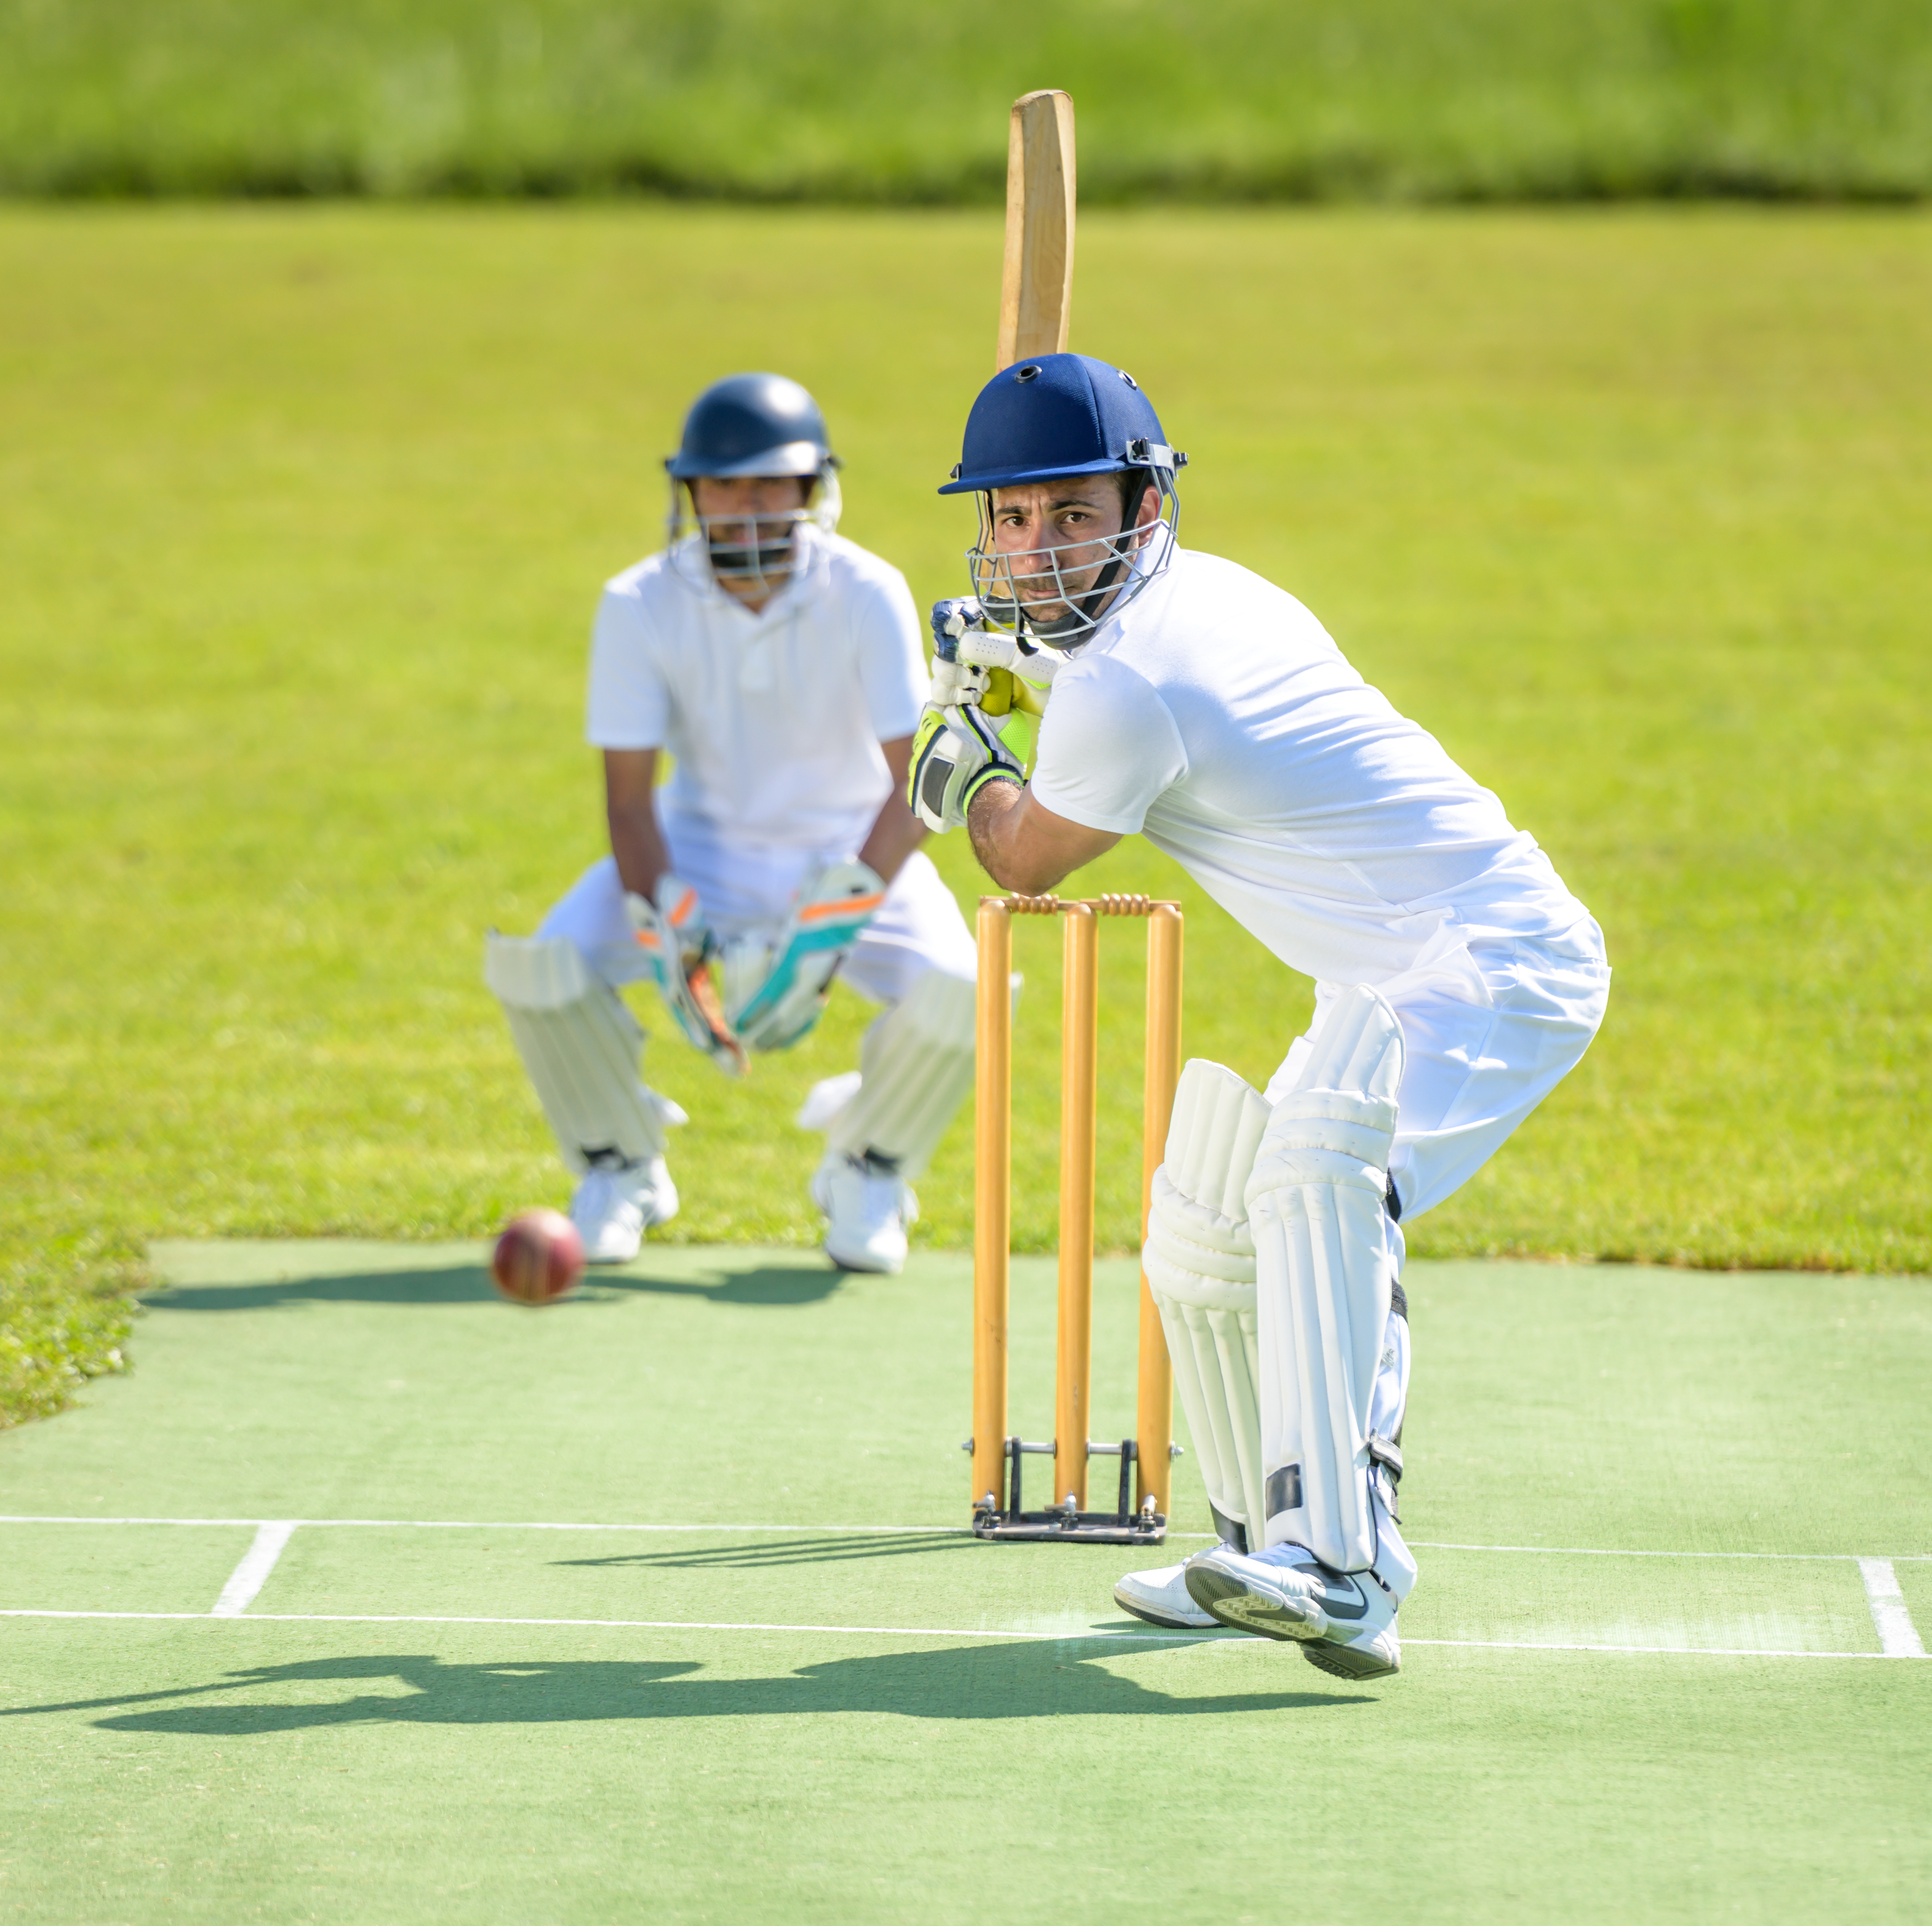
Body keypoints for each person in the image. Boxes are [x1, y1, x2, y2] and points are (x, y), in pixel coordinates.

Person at [907, 352, 1610, 1680]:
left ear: (1140, 505)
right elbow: (1095, 662)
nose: (1038, 545)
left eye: (1072, 515)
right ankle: (1254, 1549)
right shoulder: (1203, 596)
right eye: (1012, 518)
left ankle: (1343, 1569)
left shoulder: (1127, 688)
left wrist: (962, 770)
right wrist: (1010, 657)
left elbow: (1024, 856)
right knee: (1208, 1226)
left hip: (1487, 963)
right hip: (1386, 972)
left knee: (1319, 1190)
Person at [484, 371, 988, 1276]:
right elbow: (630, 800)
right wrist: (667, 926)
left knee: (963, 991)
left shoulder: (867, 588)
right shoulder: (638, 603)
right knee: (541, 968)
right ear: (692, 494)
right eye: (723, 486)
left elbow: (916, 777)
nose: (745, 507)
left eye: (768, 485)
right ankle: (621, 1163)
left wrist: (832, 922)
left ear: (810, 491)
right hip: (698, 846)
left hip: (853, 846)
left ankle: (868, 1167)